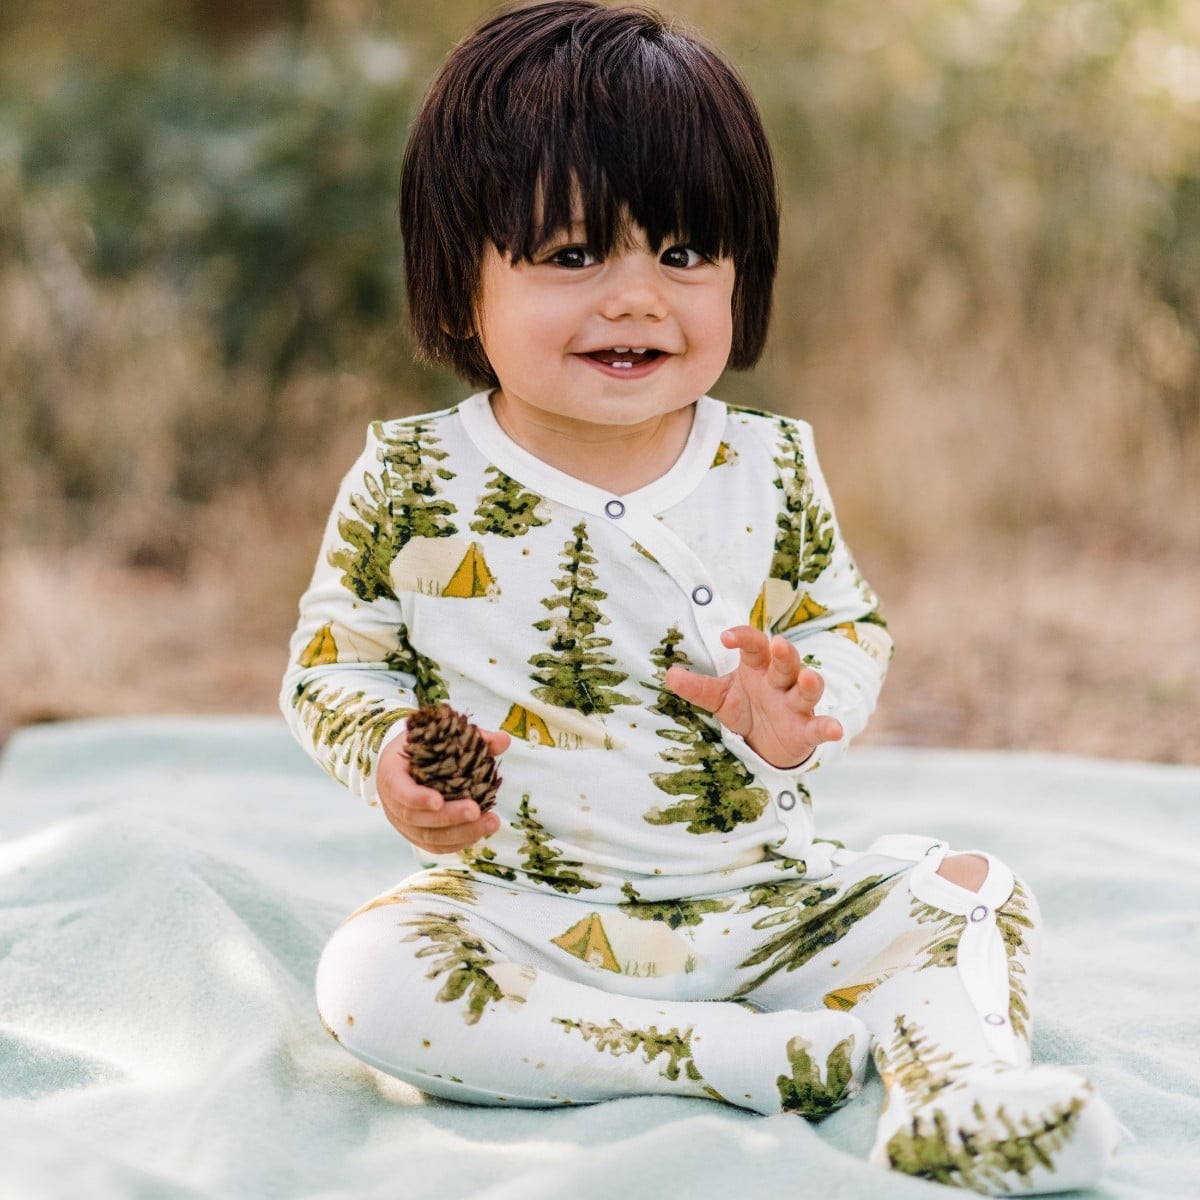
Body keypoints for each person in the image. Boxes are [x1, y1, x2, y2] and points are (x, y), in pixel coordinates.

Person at [280, 2, 1118, 1192]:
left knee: (968, 890)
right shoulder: (411, 479)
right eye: (573, 256)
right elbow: (335, 663)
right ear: (458, 279)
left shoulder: (770, 465)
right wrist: (388, 755)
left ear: (743, 272)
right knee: (370, 978)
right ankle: (740, 1059)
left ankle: (962, 1091)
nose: (636, 298)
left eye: (683, 254)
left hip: (766, 904)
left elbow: (844, 622)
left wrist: (805, 706)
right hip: (528, 912)